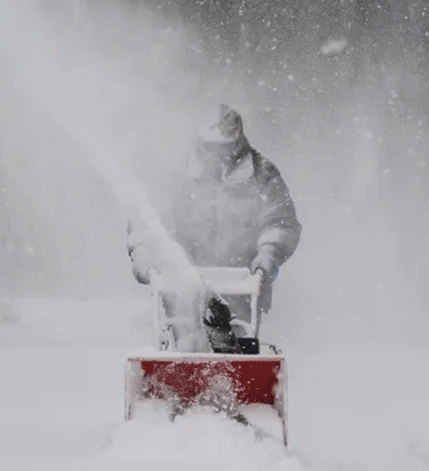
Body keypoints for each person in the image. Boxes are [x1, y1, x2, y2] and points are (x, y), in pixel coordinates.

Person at [127, 104, 302, 341]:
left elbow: (280, 221)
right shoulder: (176, 176)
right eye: (213, 149)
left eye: (227, 148)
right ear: (201, 143)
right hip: (182, 289)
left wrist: (268, 256)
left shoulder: (263, 175)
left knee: (239, 350)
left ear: (239, 142)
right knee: (185, 351)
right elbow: (147, 221)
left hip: (243, 289)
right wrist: (145, 255)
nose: (220, 156)